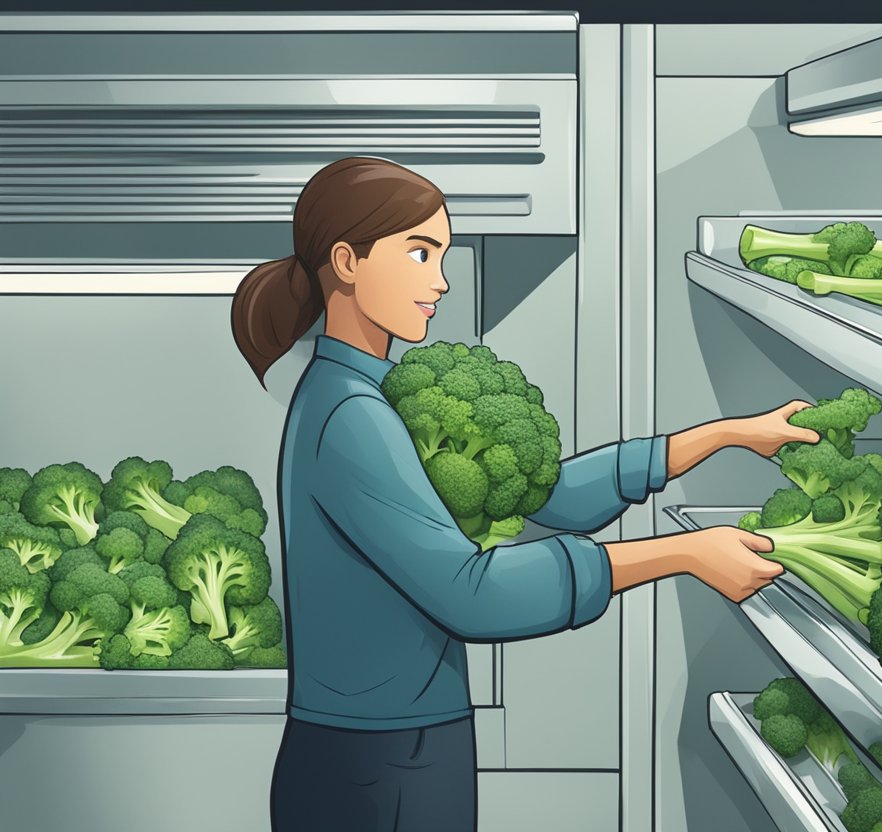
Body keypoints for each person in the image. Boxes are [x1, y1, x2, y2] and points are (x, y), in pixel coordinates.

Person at [229, 156, 821, 832]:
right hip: (370, 764)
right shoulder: (351, 416)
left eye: (442, 256)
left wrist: (723, 435)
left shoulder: (380, 397)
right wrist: (683, 553)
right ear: (347, 260)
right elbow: (470, 594)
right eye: (420, 253)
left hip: (395, 748)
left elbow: (548, 494)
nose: (440, 281)